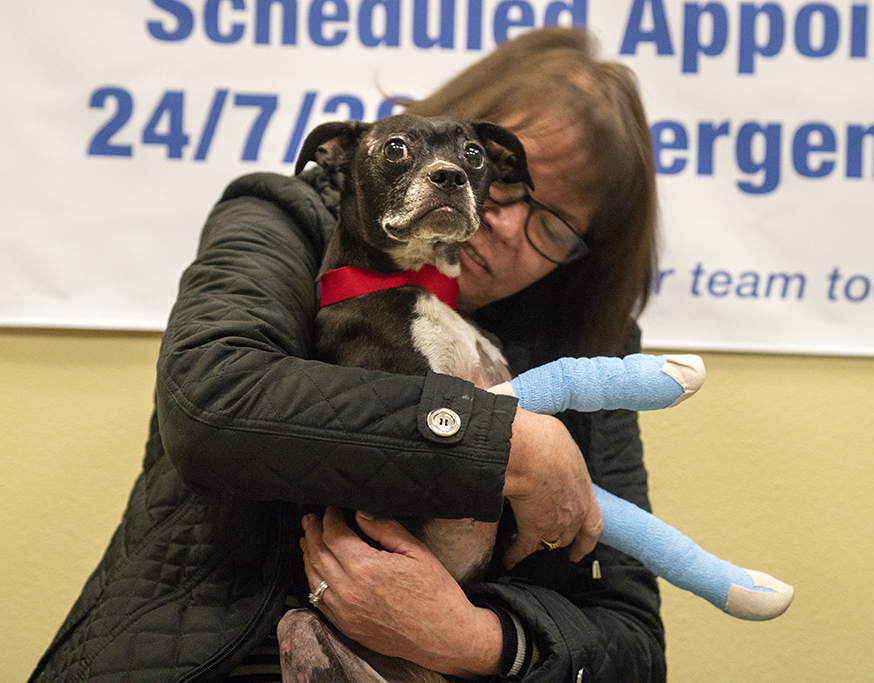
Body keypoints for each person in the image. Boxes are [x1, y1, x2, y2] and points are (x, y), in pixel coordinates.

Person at [30, 26, 664, 683]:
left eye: (551, 225)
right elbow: (213, 405)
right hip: (215, 656)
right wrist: (511, 445)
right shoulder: (288, 217)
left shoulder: (591, 344)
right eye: (500, 182)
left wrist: (478, 637)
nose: (500, 219)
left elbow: (633, 643)